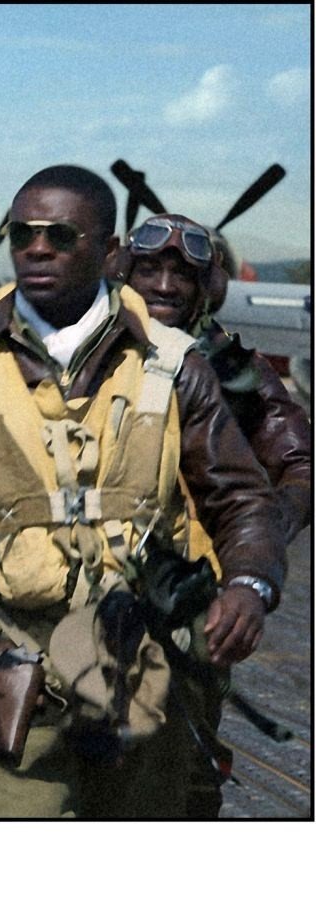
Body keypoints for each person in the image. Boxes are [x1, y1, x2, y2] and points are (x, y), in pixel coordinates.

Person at [0, 165, 286, 818]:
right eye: (23, 235)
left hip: (146, 670)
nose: (38, 248)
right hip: (12, 671)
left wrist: (250, 584)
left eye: (60, 235)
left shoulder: (176, 364)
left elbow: (243, 500)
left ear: (108, 254)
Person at [118, 211, 312, 817]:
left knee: (181, 780)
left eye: (183, 274)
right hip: (73, 593)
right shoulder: (76, 353)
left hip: (186, 606)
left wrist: (250, 552)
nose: (166, 286)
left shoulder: (232, 373)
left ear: (206, 290)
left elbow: (300, 467)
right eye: (150, 269)